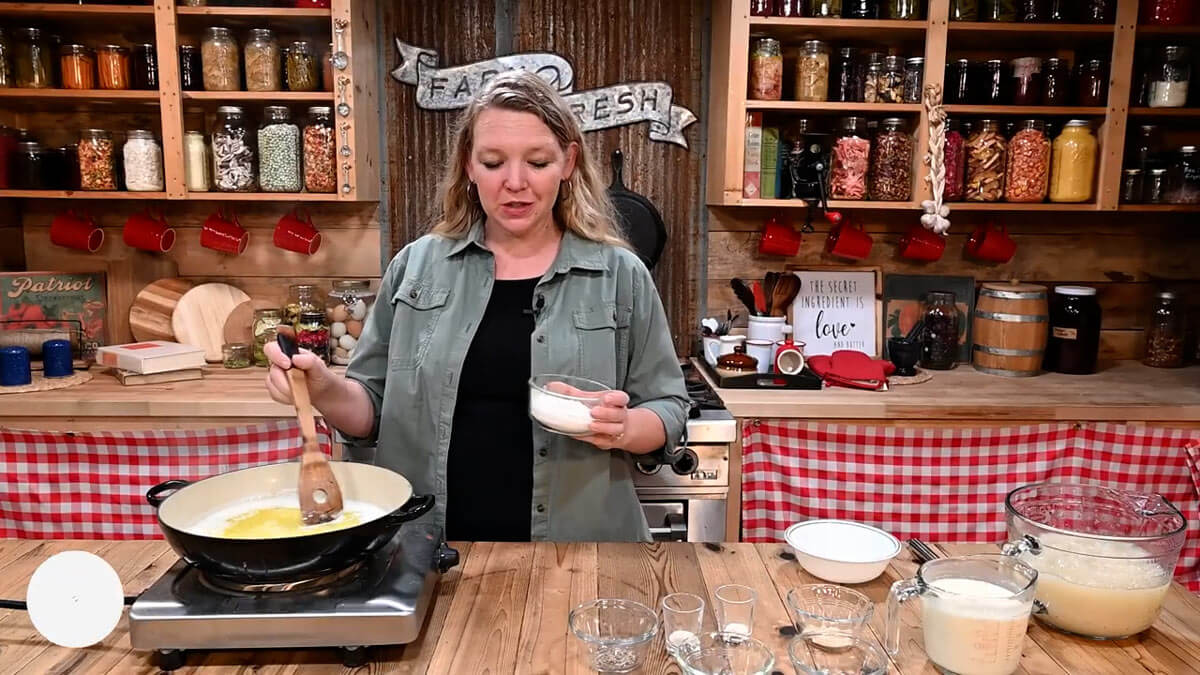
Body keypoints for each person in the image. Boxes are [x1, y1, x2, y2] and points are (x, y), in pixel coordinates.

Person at [264, 70, 689, 542]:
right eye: (493, 162)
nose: (515, 182)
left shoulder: (619, 275)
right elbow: (371, 413)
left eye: (538, 162)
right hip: (428, 552)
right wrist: (322, 389)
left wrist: (624, 427)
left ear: (568, 163)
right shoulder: (417, 268)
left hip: (576, 554)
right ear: (468, 164)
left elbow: (669, 407)